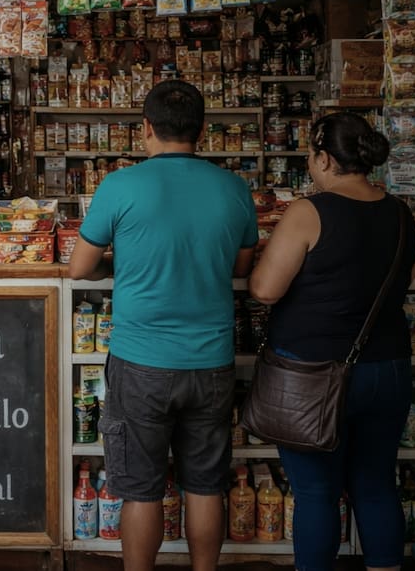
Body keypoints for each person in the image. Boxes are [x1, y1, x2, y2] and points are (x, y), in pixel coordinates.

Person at [69, 80, 258, 571]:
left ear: (145, 128)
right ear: (203, 131)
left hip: (141, 363)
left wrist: (123, 259)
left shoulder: (120, 185)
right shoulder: (234, 188)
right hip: (212, 363)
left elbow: (79, 267)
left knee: (140, 491)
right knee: (205, 485)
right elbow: (240, 268)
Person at [249, 113, 415, 571]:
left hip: (312, 375)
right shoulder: (401, 212)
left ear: (324, 158)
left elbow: (266, 289)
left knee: (316, 492)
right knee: (377, 483)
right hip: (388, 368)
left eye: (311, 156)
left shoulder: (310, 210)